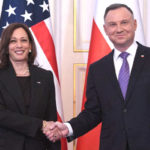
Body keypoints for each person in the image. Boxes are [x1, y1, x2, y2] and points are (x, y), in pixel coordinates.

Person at [44, 3, 150, 150]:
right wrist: (68, 128)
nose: (119, 29)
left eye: (124, 22)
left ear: (135, 24)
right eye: (112, 24)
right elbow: (93, 112)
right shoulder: (98, 69)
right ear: (105, 29)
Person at [0, 23, 61, 150]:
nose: (19, 45)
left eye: (24, 40)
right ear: (6, 47)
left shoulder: (45, 77)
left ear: (30, 46)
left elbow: (51, 120)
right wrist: (40, 124)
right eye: (13, 41)